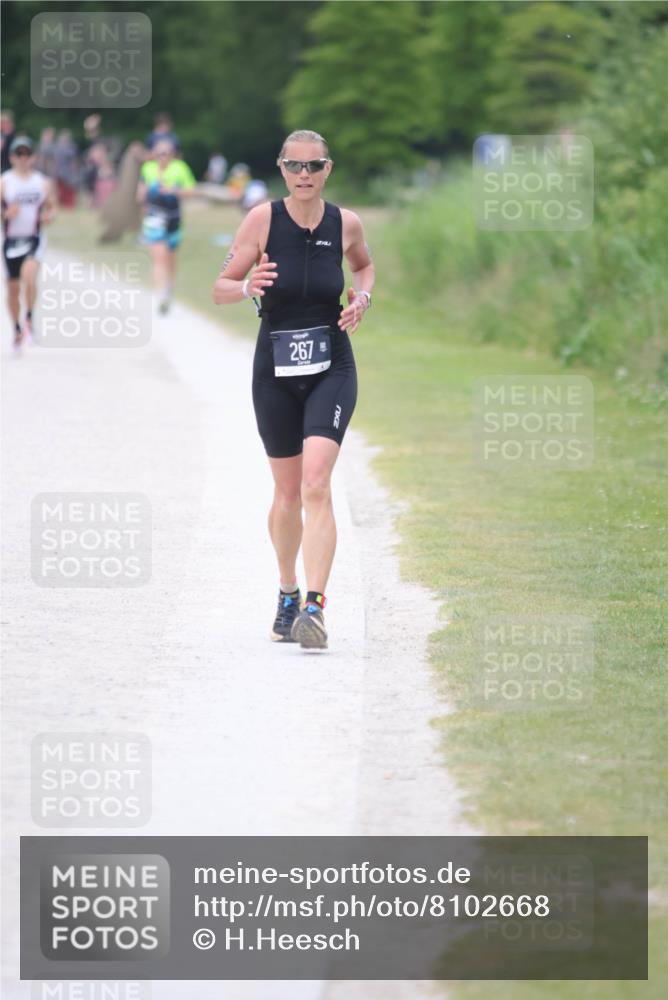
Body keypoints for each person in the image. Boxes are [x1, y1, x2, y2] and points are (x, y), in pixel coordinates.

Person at [212, 129, 374, 650]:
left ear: (328, 169)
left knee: (315, 484)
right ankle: (288, 591)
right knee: (286, 493)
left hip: (332, 366)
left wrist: (363, 298)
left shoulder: (346, 223)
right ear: (281, 168)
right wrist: (246, 286)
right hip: (275, 370)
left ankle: (315, 608)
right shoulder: (262, 220)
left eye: (315, 166)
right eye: (295, 166)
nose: (305, 175)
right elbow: (220, 288)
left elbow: (364, 266)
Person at [1, 135, 56, 351]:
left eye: (27, 154)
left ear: (33, 157)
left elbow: (51, 207)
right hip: (10, 240)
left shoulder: (42, 183)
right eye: (19, 154)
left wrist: (49, 215)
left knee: (29, 275)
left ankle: (29, 318)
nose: (23, 158)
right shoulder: (4, 182)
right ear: (12, 157)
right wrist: (6, 214)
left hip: (33, 237)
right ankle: (16, 329)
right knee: (13, 288)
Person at [137, 137, 196, 313]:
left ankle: (168, 289)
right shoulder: (148, 168)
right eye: (160, 153)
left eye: (167, 153)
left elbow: (192, 191)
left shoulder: (180, 168)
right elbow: (141, 190)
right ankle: (160, 295)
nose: (163, 156)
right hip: (154, 218)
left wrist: (175, 191)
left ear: (172, 154)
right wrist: (142, 195)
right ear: (154, 154)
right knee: (158, 256)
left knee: (170, 257)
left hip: (174, 218)